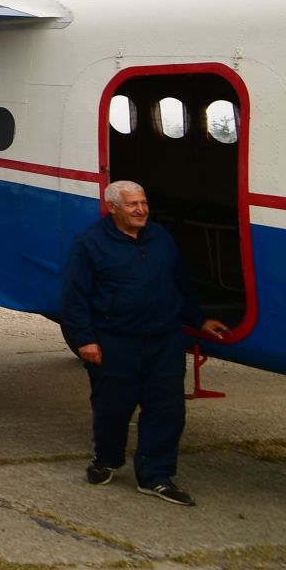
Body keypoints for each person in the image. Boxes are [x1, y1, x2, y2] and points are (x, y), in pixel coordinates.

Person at [61, 180, 230, 505]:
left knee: (168, 410)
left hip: (164, 340)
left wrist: (198, 319)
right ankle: (107, 459)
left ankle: (156, 476)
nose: (141, 210)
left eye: (144, 203)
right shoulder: (89, 244)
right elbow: (74, 295)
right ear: (112, 208)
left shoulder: (161, 238)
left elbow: (180, 282)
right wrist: (85, 339)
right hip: (116, 341)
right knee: (112, 407)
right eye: (132, 204)